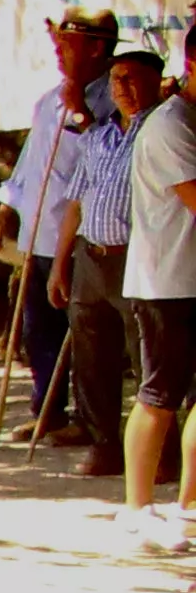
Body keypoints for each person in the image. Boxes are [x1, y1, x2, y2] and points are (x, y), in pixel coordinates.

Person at [5, 43, 133, 480]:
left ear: (95, 48)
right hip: (45, 231)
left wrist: (80, 111)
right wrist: (6, 204)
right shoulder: (48, 100)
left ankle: (105, 430)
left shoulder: (108, 112)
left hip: (99, 244)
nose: (60, 53)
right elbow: (30, 162)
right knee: (40, 326)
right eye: (56, 44)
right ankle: (51, 409)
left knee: (104, 344)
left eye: (67, 44)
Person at [121, 46, 193, 552]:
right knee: (159, 398)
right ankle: (136, 509)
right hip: (165, 283)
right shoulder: (172, 126)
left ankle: (187, 510)